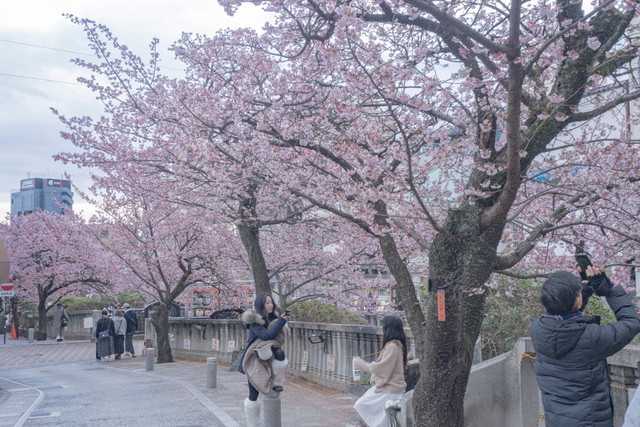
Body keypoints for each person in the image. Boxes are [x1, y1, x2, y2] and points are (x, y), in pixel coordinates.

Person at [531, 265, 640, 426]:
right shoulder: (591, 337)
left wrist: (585, 290)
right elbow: (632, 323)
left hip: (557, 420)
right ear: (576, 300)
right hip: (591, 421)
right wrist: (609, 289)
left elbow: (566, 316)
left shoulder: (538, 329)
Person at [238, 293, 289, 427]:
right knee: (253, 395)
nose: (270, 305)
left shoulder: (274, 319)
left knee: (280, 353)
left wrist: (280, 321)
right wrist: (281, 321)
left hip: (270, 357)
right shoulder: (253, 320)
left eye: (271, 302)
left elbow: (278, 338)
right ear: (261, 305)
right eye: (267, 303)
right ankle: (253, 424)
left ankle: (278, 382)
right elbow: (267, 335)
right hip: (254, 359)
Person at [353, 315, 408, 427]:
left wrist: (360, 364)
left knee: (361, 405)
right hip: (392, 390)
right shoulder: (396, 345)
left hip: (389, 391)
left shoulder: (393, 346)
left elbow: (380, 368)